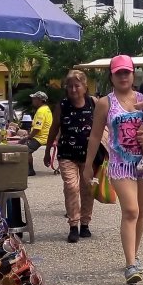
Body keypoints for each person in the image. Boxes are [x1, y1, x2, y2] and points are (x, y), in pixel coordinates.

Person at [83, 54, 143, 285]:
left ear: (133, 74)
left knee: (141, 211)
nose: (123, 76)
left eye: (127, 72)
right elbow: (95, 135)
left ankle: (133, 255)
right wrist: (88, 166)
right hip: (120, 164)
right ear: (112, 76)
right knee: (131, 211)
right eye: (119, 73)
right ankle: (130, 264)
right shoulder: (105, 102)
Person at [46, 70, 105, 243]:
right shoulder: (62, 105)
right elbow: (54, 128)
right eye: (70, 86)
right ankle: (73, 225)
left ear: (85, 87)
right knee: (71, 187)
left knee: (87, 188)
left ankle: (85, 224)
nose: (73, 89)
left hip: (89, 156)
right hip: (67, 154)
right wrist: (48, 148)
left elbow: (105, 126)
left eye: (77, 86)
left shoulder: (93, 103)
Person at [27, 91, 52, 176]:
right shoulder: (46, 109)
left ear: (40, 100)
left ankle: (30, 170)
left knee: (26, 150)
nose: (32, 100)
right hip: (46, 136)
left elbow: (37, 128)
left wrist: (29, 137)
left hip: (41, 137)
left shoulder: (41, 111)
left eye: (34, 99)